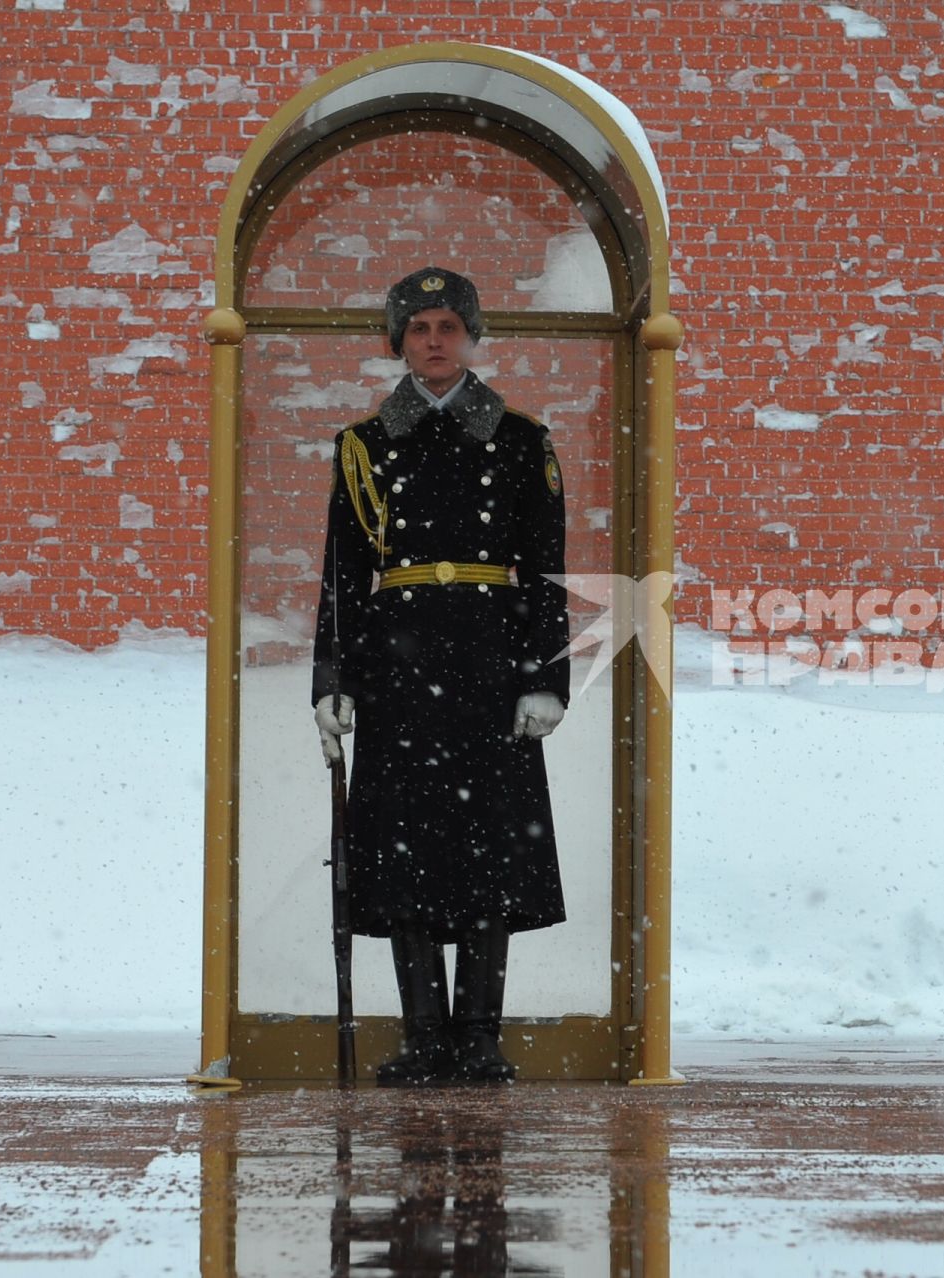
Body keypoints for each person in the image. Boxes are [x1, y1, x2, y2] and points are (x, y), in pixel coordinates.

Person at [311, 266, 571, 1086]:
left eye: (447, 327)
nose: (434, 342)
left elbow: (544, 568)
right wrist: (334, 678)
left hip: (491, 667)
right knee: (404, 851)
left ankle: (480, 1037)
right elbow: (344, 575)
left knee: (490, 850)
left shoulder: (523, 440)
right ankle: (424, 1036)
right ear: (398, 341)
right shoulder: (363, 445)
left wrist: (544, 679)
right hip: (398, 667)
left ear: (470, 336)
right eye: (419, 328)